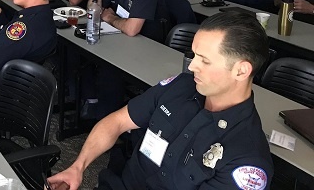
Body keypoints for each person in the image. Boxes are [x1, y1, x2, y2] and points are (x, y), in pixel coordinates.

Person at [49, 11, 273, 190]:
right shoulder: (182, 86)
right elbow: (116, 123)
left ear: (241, 71)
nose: (192, 65)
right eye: (193, 55)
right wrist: (78, 167)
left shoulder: (246, 158)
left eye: (204, 60)